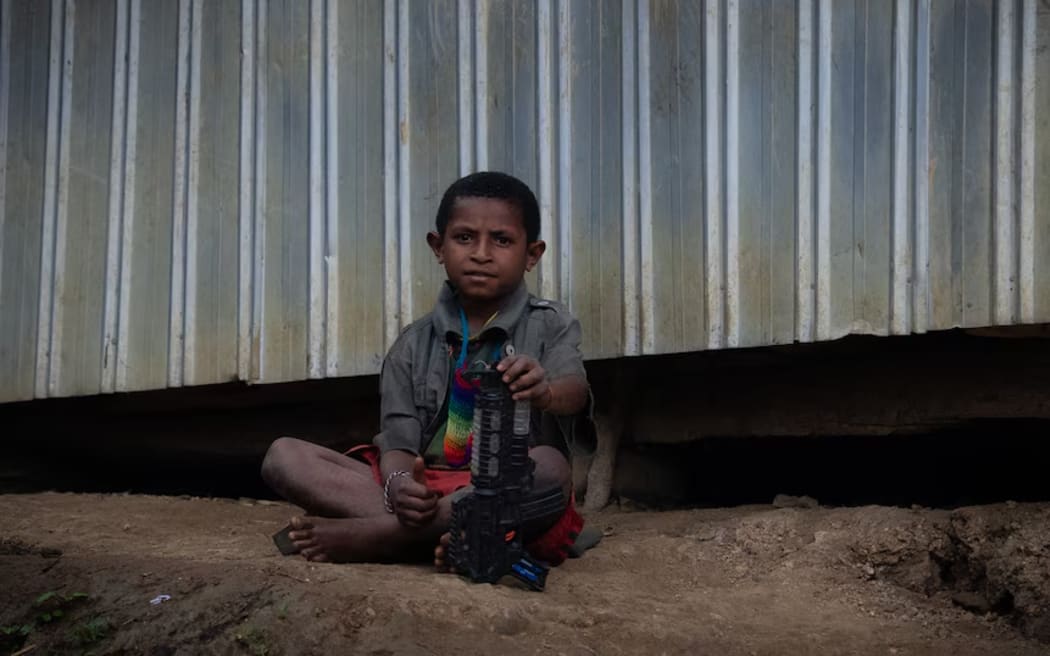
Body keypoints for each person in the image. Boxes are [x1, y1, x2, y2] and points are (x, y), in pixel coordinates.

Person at [261, 171, 591, 567]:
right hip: (426, 492)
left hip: (504, 487)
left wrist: (546, 392)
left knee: (550, 469)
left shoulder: (551, 323)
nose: (481, 254)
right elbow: (399, 444)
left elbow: (576, 391)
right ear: (438, 246)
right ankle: (444, 536)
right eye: (464, 237)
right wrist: (400, 487)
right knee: (285, 456)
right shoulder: (412, 343)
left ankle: (382, 538)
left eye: (502, 240)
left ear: (532, 254)